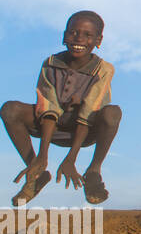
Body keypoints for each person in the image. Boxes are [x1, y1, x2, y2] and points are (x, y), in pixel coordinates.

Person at [3, 11, 120, 205]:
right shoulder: (50, 64)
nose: (79, 39)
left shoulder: (103, 69)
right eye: (73, 32)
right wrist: (43, 155)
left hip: (85, 130)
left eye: (87, 35)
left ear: (98, 40)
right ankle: (36, 172)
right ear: (64, 35)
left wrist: (71, 158)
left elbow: (88, 113)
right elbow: (48, 108)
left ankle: (93, 171)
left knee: (112, 113)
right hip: (53, 126)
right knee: (10, 109)